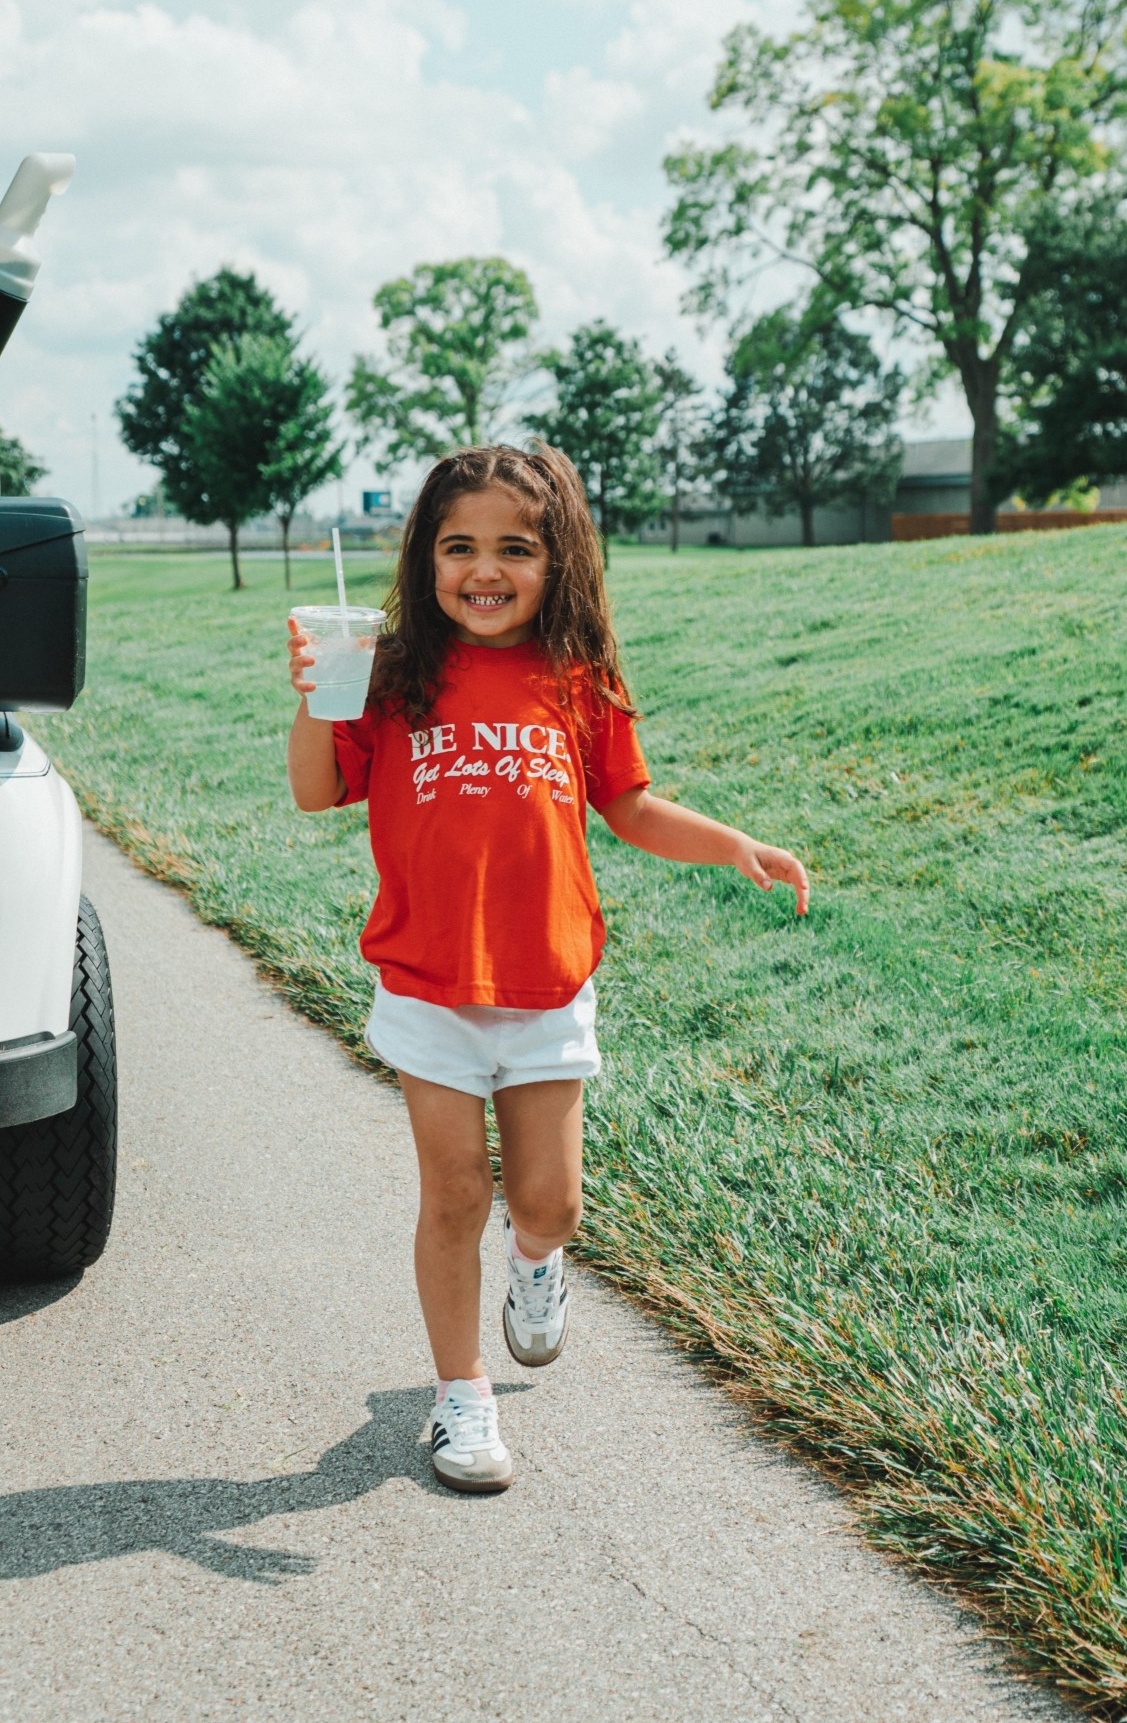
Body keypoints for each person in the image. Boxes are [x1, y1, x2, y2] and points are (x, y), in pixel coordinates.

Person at [286, 445, 808, 1494]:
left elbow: (629, 806)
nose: (484, 568)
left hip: (547, 983)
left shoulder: (578, 677)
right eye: (458, 546)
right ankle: (459, 1397)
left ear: (556, 557)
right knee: (453, 1194)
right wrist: (317, 695)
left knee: (550, 1202)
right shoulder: (389, 675)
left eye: (514, 547)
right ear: (425, 557)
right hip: (428, 982)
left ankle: (537, 1269)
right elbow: (313, 792)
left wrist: (733, 842)